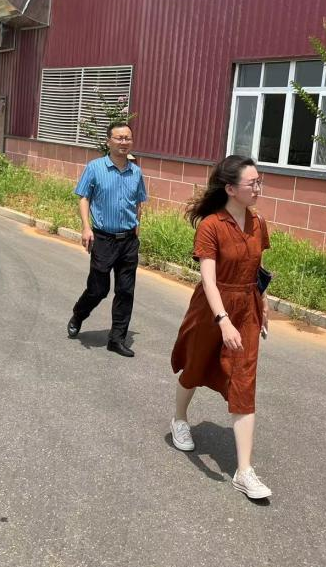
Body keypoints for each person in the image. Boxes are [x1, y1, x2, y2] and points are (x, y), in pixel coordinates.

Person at [168, 155, 274, 500]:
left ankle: (244, 471)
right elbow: (209, 281)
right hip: (211, 310)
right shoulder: (211, 226)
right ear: (230, 188)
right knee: (195, 366)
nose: (258, 188)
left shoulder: (258, 222)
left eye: (259, 181)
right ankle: (179, 419)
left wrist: (263, 302)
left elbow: (256, 267)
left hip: (247, 308)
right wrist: (223, 320)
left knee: (244, 381)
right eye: (252, 183)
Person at [66, 123, 147, 357]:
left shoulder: (136, 172)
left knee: (125, 291)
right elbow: (84, 197)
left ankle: (117, 339)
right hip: (103, 238)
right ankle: (79, 314)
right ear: (109, 141)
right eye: (119, 138)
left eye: (127, 138)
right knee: (98, 289)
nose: (124, 142)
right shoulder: (95, 168)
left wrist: (137, 228)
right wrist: (86, 227)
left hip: (128, 240)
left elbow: (139, 203)